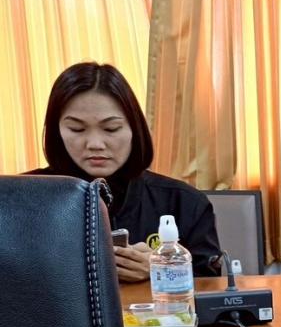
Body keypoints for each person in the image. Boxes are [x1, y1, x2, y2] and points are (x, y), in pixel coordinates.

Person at [28, 62, 221, 280]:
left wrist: (163, 271)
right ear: (57, 132)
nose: (95, 144)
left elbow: (212, 284)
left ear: (134, 129)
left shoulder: (183, 202)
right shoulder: (21, 198)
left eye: (111, 129)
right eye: (77, 129)